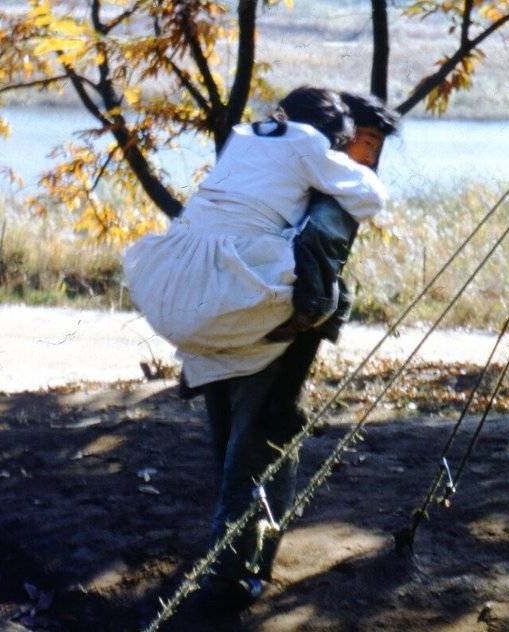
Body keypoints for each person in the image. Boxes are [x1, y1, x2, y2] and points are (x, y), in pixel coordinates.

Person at [125, 88, 399, 611]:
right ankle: (231, 577)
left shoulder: (258, 148)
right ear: (335, 140)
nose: (368, 157)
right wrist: (316, 316)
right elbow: (327, 263)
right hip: (264, 320)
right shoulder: (329, 187)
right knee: (257, 445)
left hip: (203, 303)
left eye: (372, 147)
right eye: (362, 142)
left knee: (239, 441)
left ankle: (237, 560)